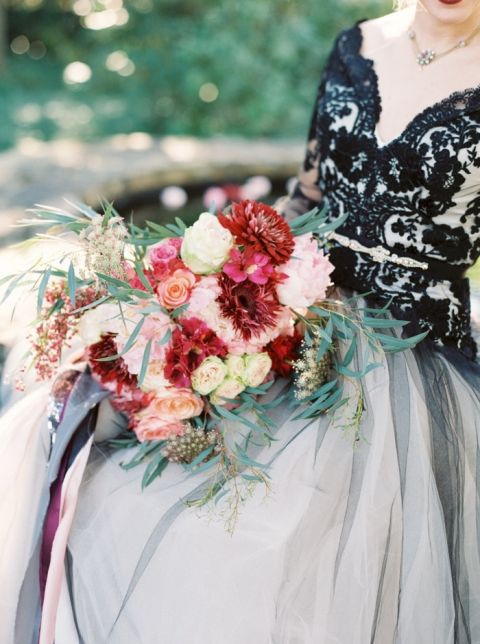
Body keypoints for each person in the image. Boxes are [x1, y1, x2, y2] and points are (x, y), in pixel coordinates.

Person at [1, 0, 480, 641]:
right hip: (301, 323)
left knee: (317, 552)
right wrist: (225, 272)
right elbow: (307, 195)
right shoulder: (356, 47)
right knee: (135, 480)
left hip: (416, 362)